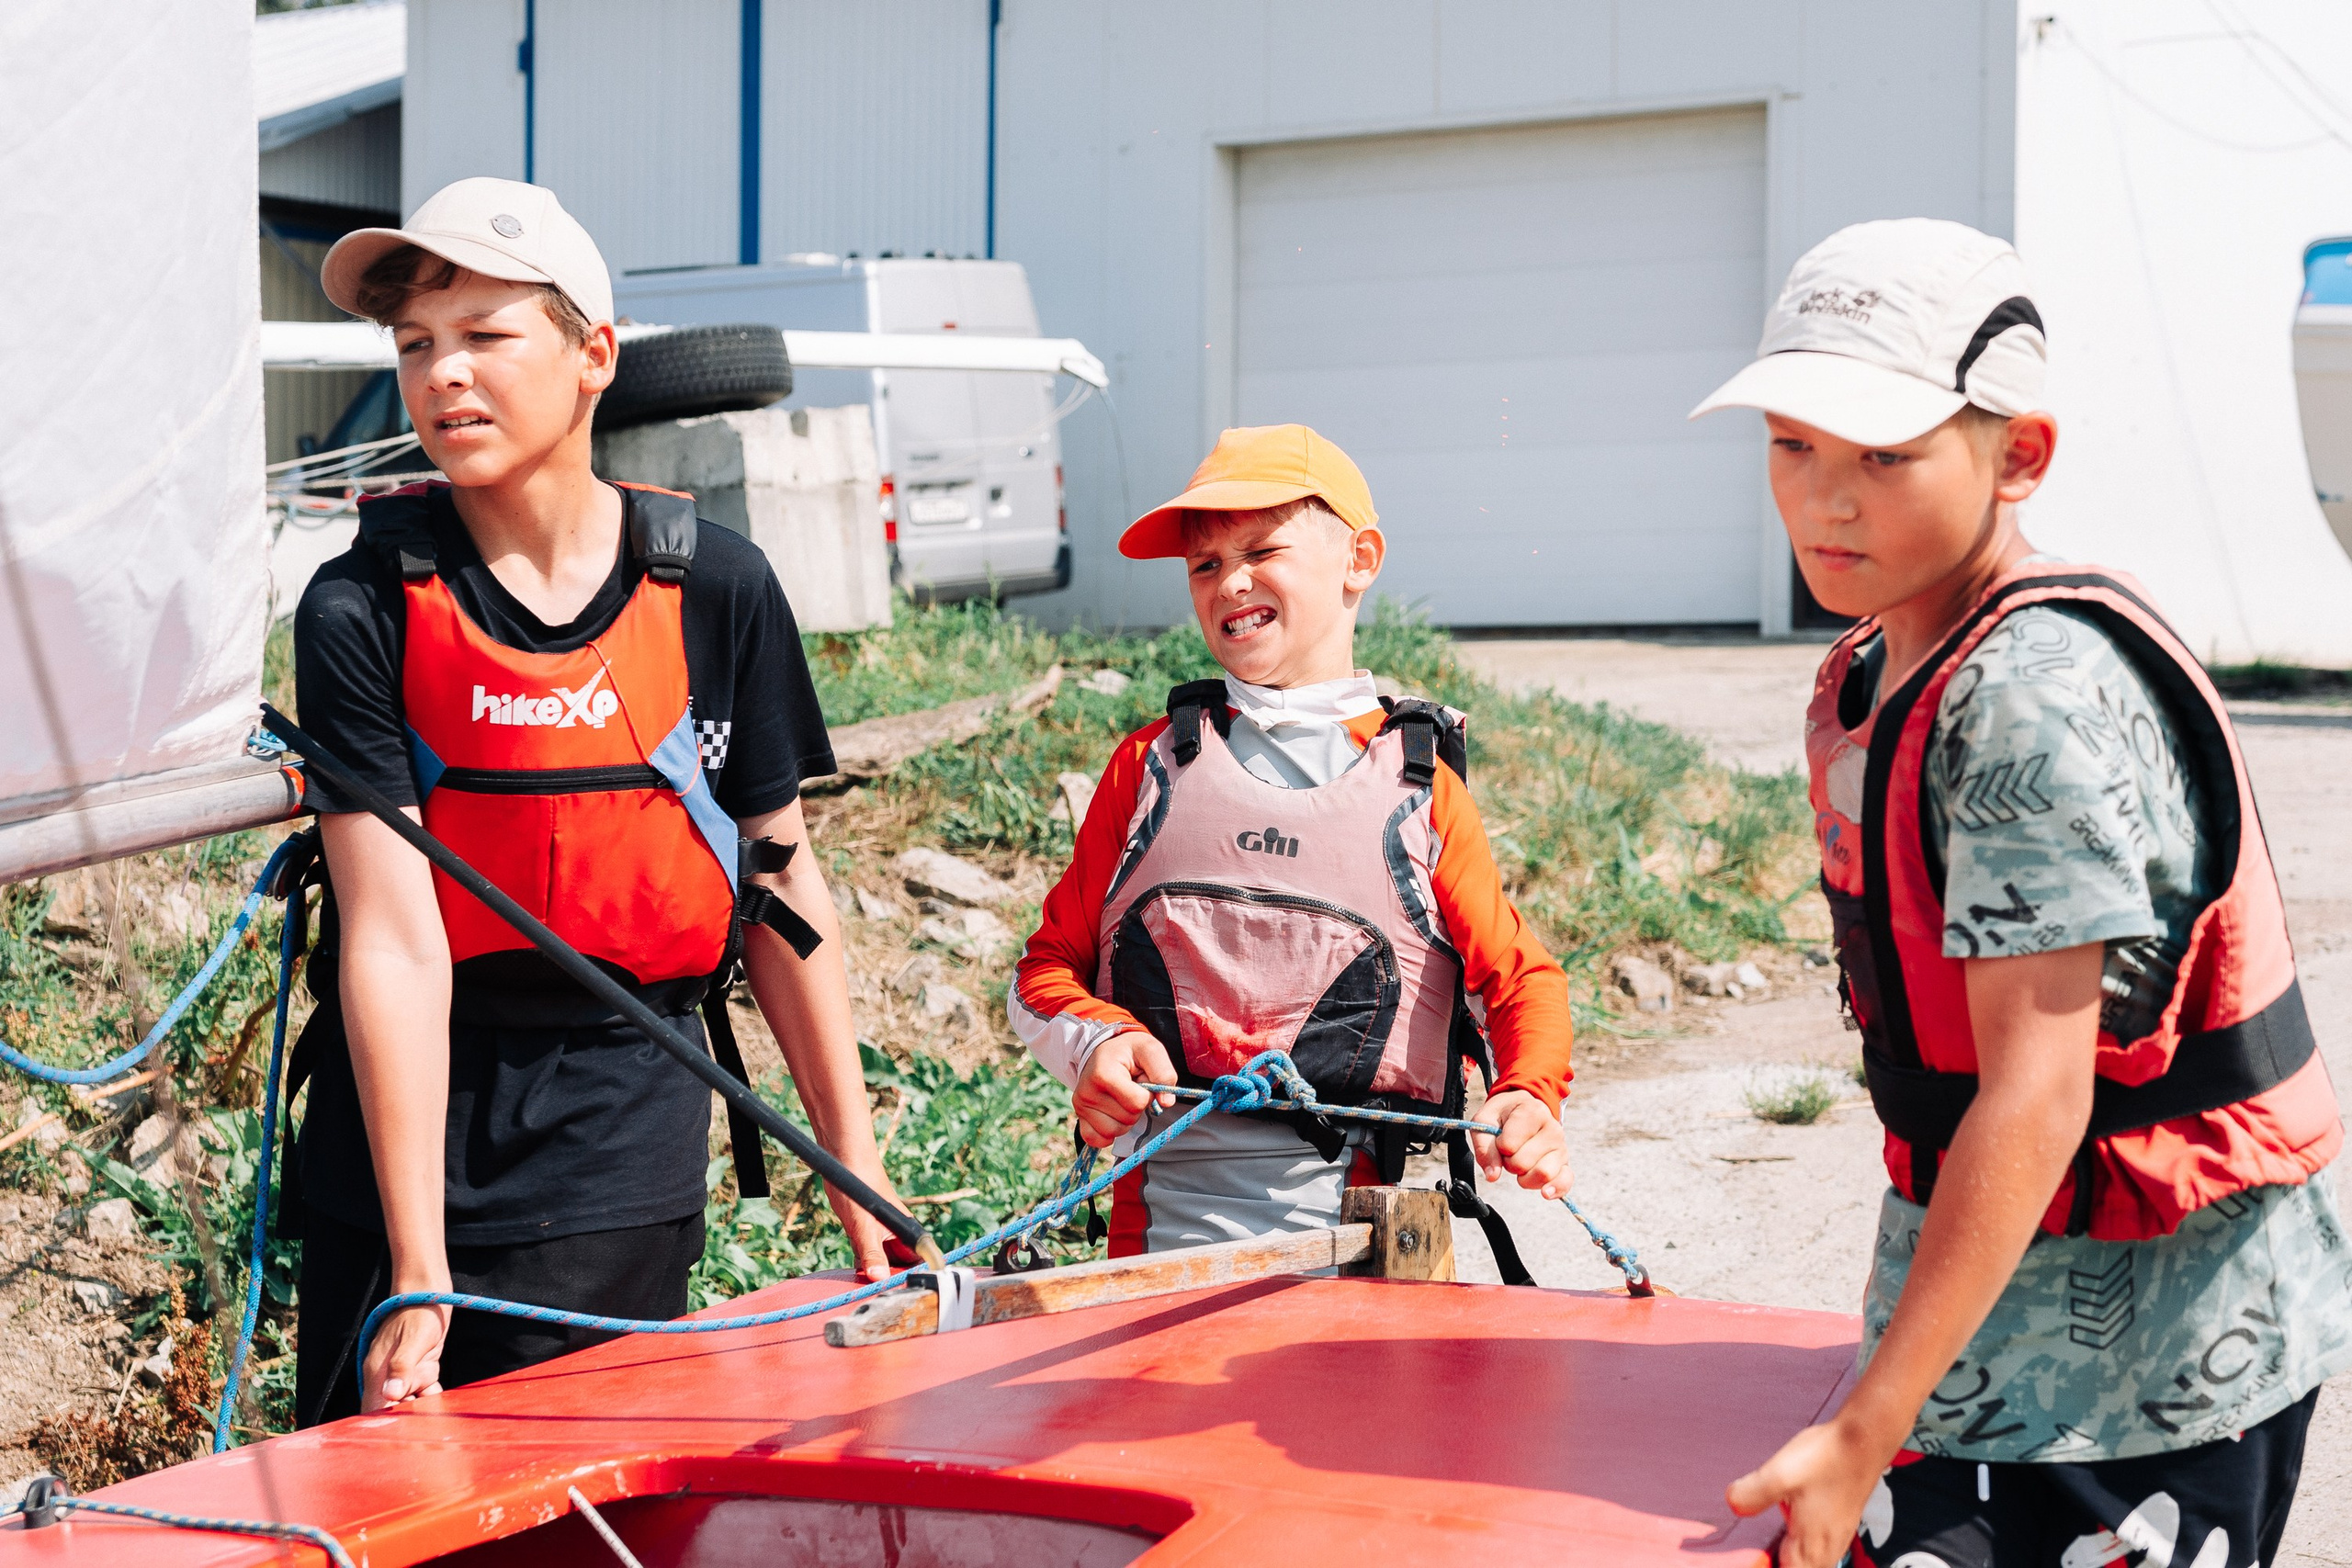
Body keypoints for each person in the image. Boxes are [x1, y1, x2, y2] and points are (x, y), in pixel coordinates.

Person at [1698, 219, 2350, 1567]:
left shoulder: (2025, 700)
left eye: (1885, 454)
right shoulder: (1902, 653)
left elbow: (2040, 1089)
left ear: (2020, 455)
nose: (1828, 499)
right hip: (2004, 1317)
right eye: (1793, 444)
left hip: (2142, 1365)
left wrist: (1868, 1422)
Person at [287, 178, 904, 1424]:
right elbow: (397, 940)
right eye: (416, 346)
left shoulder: (717, 588)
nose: (443, 375)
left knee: (575, 1500)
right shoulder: (359, 607)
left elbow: (781, 882)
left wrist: (860, 1175)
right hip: (402, 1129)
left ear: (593, 357)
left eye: (485, 335)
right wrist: (418, 1263)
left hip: (623, 1120)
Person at [1012, 423, 1572, 1261]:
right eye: (1204, 564)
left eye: (1261, 550)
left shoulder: (1419, 789)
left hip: (1373, 1247)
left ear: (1360, 559)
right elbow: (1044, 971)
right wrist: (1099, 1038)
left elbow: (1520, 980)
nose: (1230, 581)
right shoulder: (1146, 766)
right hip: (1150, 1248)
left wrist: (1528, 1094)